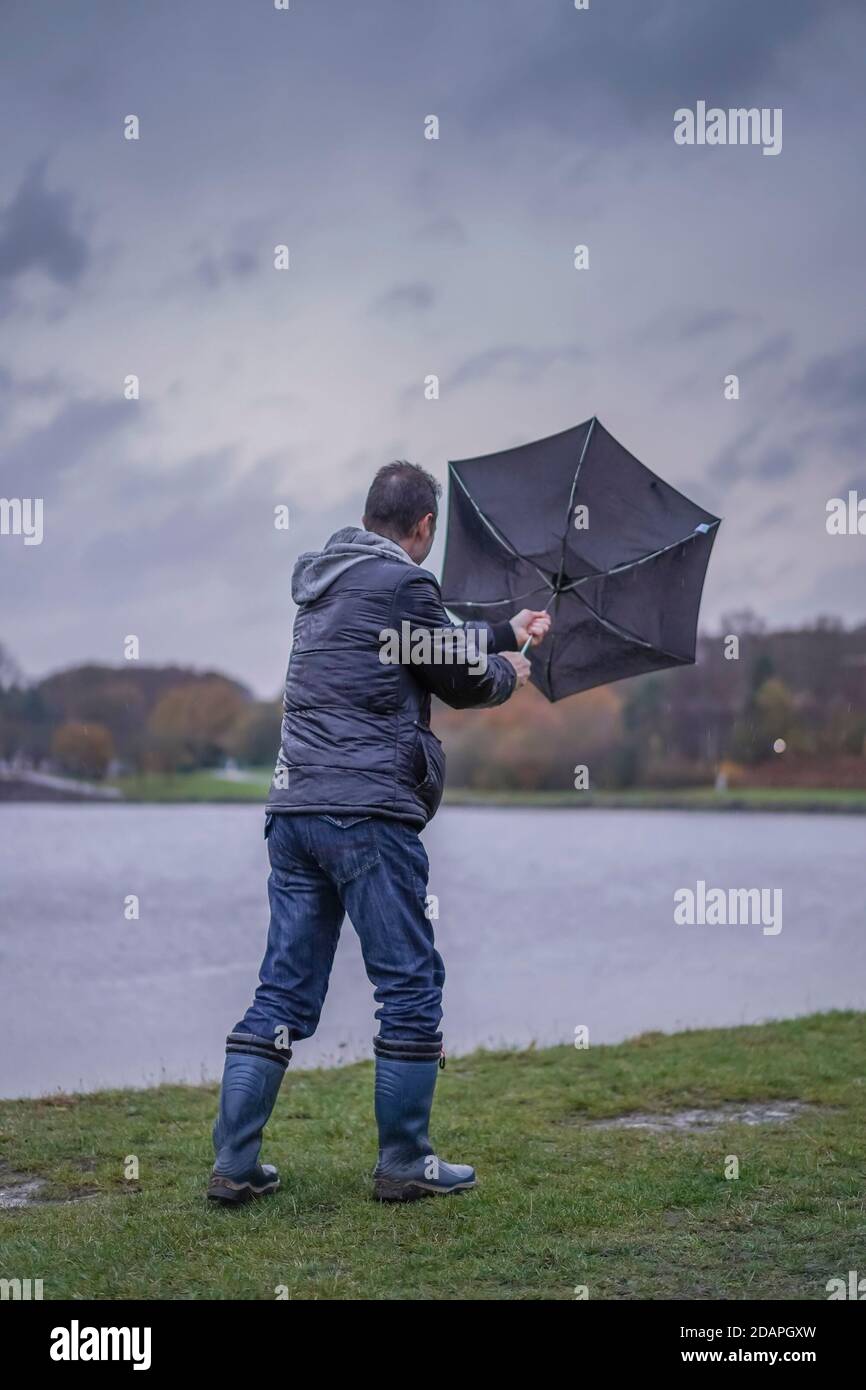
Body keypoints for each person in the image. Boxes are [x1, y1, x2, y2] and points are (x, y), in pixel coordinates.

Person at [208, 461, 551, 1204]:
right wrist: (508, 672)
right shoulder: (403, 585)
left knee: (283, 990)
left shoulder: (326, 582)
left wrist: (501, 630)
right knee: (409, 982)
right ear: (424, 527)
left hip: (295, 811)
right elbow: (454, 675)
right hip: (366, 814)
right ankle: (405, 1161)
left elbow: (416, 646)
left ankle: (233, 1165)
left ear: (371, 516)